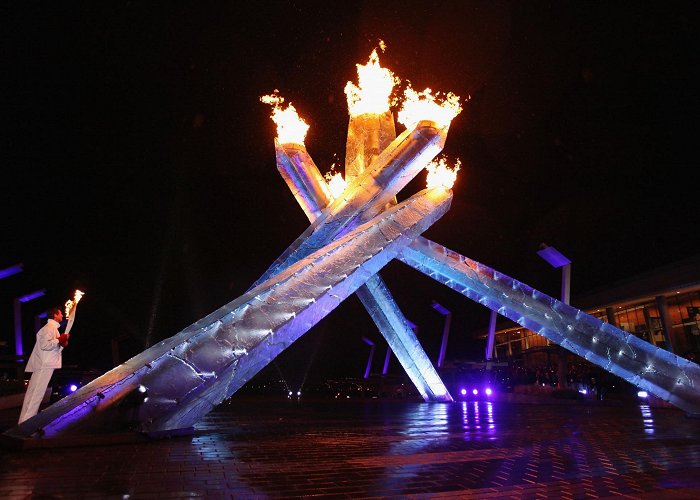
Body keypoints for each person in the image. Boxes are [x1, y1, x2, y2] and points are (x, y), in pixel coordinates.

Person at [18, 307, 70, 424]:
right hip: (44, 365)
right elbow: (45, 345)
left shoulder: (53, 329)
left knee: (34, 393)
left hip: (46, 364)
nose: (62, 315)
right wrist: (59, 340)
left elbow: (53, 347)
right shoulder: (48, 328)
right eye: (60, 313)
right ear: (55, 315)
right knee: (36, 394)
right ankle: (26, 423)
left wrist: (62, 343)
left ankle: (24, 422)